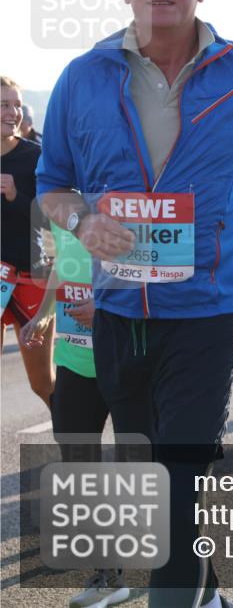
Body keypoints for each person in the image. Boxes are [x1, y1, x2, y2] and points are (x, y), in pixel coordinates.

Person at [34, 0, 233, 606]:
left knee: (176, 480)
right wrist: (81, 222)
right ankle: (209, 592)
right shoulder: (83, 76)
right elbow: (52, 182)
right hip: (117, 312)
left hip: (207, 311)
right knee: (160, 484)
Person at [20, 221, 128, 608]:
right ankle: (109, 575)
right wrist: (45, 315)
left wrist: (104, 306)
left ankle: (186, 566)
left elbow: (152, 270)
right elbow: (63, 265)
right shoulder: (59, 203)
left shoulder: (115, 192)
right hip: (72, 359)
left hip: (124, 357)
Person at [1, 75, 54, 407]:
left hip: (30, 277)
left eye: (17, 105)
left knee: (41, 383)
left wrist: (16, 196)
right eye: (4, 105)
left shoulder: (35, 156)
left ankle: (77, 442)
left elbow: (56, 219)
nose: (13, 112)